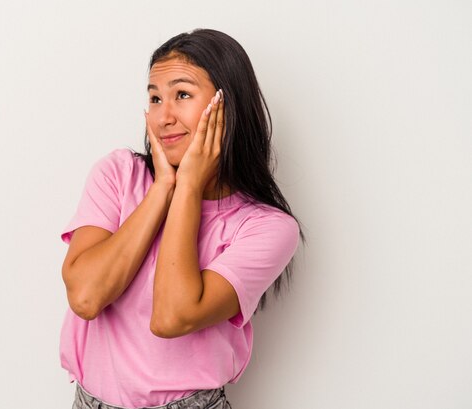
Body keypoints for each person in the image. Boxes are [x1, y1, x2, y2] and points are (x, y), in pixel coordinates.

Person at [60, 29, 303, 409]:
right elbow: (86, 297)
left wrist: (188, 186)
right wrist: (162, 190)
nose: (163, 116)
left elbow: (171, 317)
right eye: (155, 97)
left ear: (229, 106)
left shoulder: (267, 227)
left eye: (182, 94)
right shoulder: (118, 174)